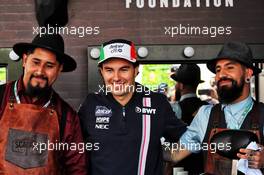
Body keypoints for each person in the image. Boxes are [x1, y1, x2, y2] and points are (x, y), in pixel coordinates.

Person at [78, 39, 187, 175]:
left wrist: (167, 155)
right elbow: (74, 151)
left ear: (136, 70)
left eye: (124, 69)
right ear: (101, 72)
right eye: (109, 70)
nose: (116, 77)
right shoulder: (90, 104)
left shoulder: (156, 102)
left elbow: (189, 138)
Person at [166, 41, 264, 175]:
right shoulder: (205, 115)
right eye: (218, 69)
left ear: (248, 73)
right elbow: (175, 154)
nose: (221, 75)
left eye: (229, 68)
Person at [0, 34, 87, 174]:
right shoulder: (1, 97)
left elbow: (76, 170)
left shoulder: (67, 117)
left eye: (49, 66)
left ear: (59, 70)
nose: (40, 71)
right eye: (35, 62)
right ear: (24, 60)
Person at [169, 64, 208, 175]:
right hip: (202, 165)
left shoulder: (174, 108)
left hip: (179, 166)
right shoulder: (209, 109)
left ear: (181, 85)